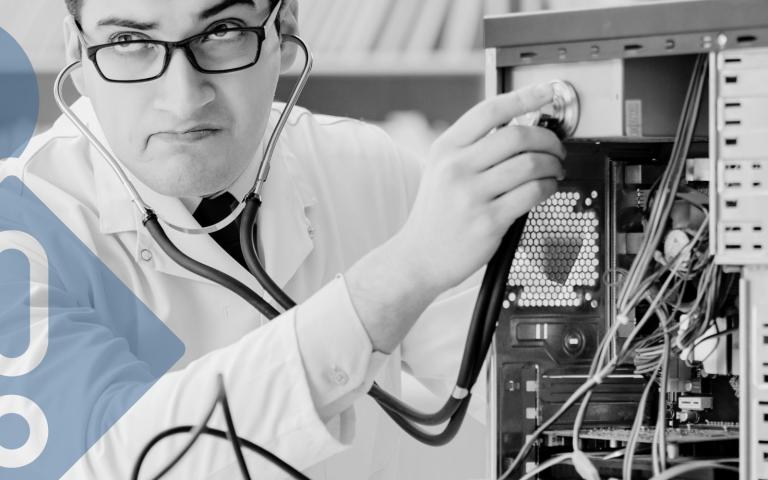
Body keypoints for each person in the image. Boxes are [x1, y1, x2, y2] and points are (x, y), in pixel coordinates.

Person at [0, 0, 565, 478]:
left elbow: (532, 394)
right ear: (77, 50)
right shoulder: (21, 225)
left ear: (284, 26)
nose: (182, 96)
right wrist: (398, 278)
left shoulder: (367, 168)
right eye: (128, 40)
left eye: (222, 31)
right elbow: (112, 456)